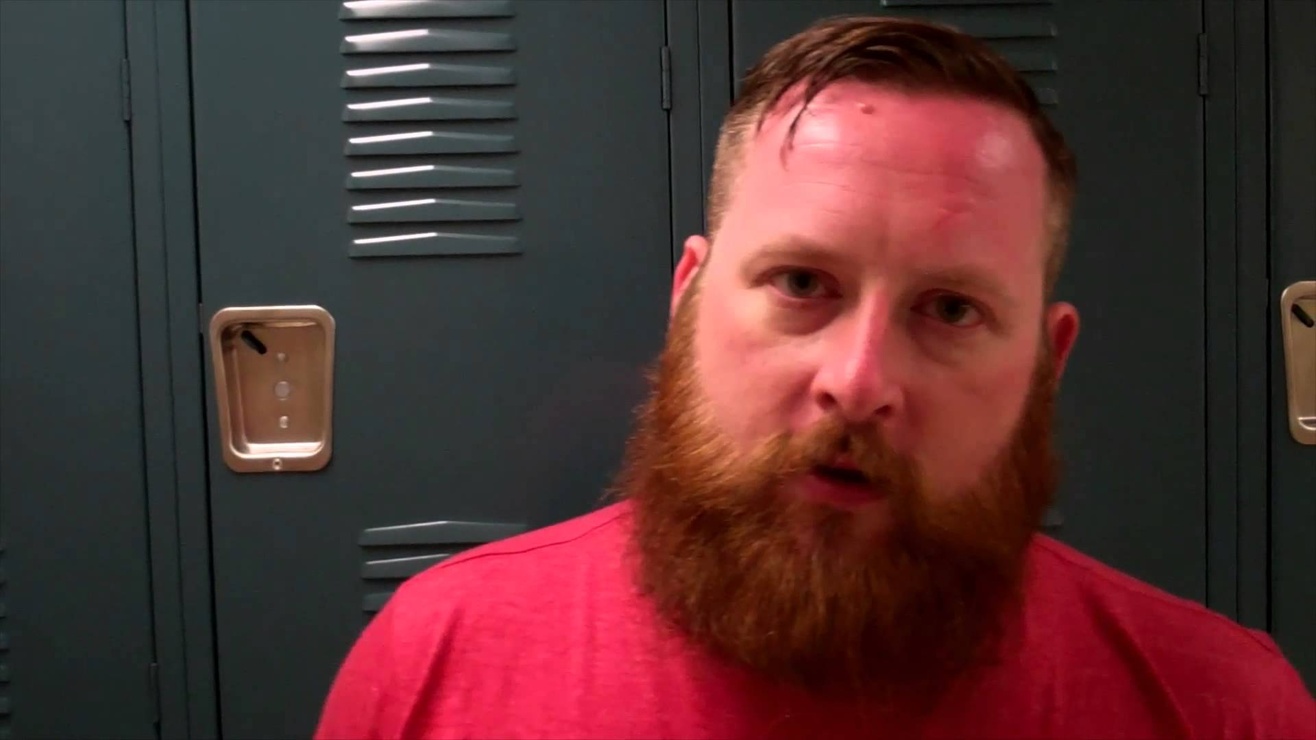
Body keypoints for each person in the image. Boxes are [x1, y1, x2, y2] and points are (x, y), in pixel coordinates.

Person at [315, 16, 1316, 739]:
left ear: (1045, 364)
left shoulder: (1222, 709)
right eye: (801, 283)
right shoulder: (437, 663)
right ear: (689, 298)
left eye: (950, 310)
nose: (858, 379)